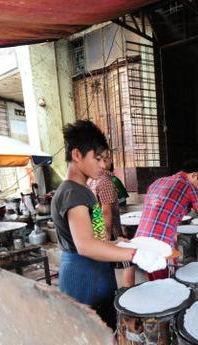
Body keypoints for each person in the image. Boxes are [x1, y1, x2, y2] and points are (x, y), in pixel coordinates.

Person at [51, 120, 164, 326]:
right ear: (77, 155)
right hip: (82, 278)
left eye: (105, 159)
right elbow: (86, 246)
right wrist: (135, 254)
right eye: (98, 158)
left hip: (97, 275)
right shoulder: (72, 193)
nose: (104, 165)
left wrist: (121, 244)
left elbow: (98, 238)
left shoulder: (85, 191)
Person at [135, 159, 198, 280]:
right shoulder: (191, 188)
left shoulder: (157, 182)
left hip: (140, 243)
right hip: (160, 248)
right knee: (167, 285)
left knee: (154, 283)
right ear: (194, 175)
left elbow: (162, 215)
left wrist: (174, 242)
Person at [87, 150, 136, 288]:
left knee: (106, 265)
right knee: (128, 261)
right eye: (107, 158)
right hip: (112, 231)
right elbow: (105, 212)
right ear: (104, 161)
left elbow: (96, 210)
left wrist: (98, 233)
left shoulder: (92, 180)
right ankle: (128, 292)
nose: (110, 160)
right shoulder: (106, 182)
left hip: (97, 228)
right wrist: (107, 238)